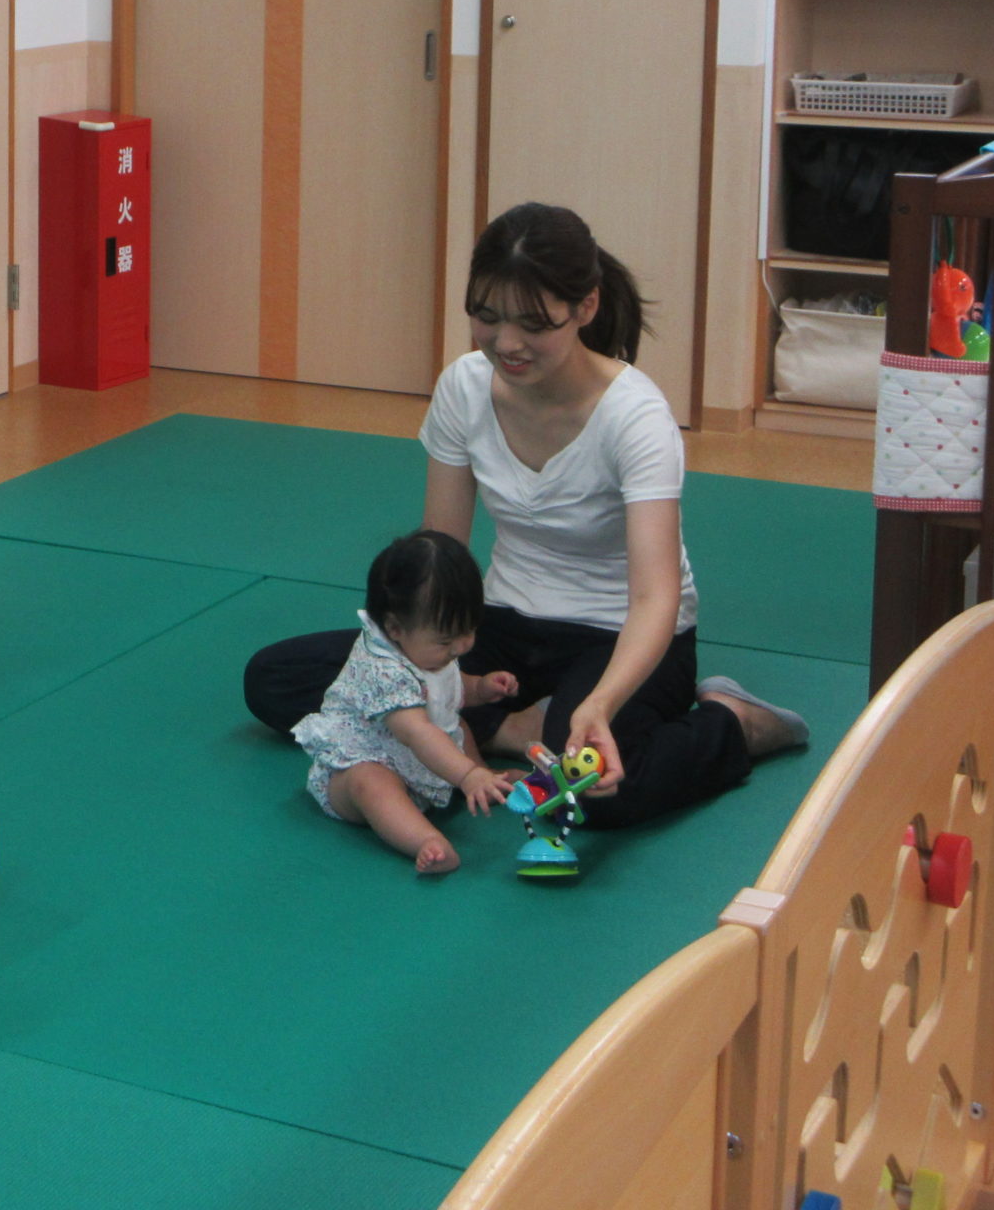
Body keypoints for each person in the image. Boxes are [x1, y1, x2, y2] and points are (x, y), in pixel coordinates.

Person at [245, 202, 809, 829]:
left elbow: (656, 598)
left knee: (592, 788)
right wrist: (395, 658)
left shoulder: (635, 416)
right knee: (277, 678)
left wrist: (600, 704)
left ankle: (734, 724)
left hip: (619, 634)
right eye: (487, 317)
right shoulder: (464, 387)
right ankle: (518, 727)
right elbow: (442, 551)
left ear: (585, 307)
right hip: (499, 623)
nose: (506, 344)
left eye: (533, 324)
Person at [294, 532, 521, 876]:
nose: (462, 646)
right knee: (371, 783)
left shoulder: (425, 646)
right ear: (395, 628)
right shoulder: (382, 667)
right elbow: (416, 733)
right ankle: (424, 840)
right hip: (364, 762)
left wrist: (480, 688)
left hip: (418, 761)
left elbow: (445, 690)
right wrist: (466, 774)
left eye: (470, 630)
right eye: (447, 640)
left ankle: (485, 780)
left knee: (456, 724)